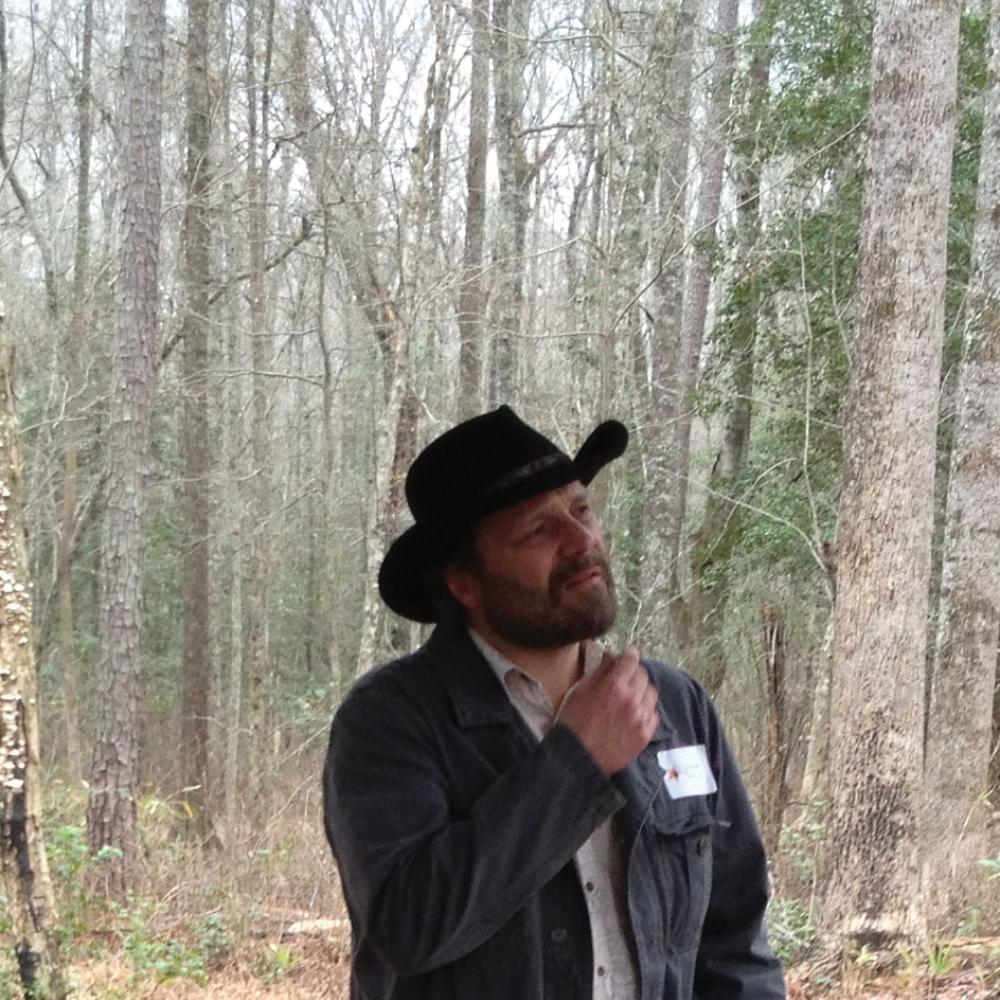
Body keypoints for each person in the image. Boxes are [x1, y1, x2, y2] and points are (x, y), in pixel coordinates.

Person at [322, 405, 786, 1000]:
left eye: (581, 509)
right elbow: (410, 928)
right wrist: (578, 762)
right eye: (539, 529)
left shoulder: (674, 705)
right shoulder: (390, 721)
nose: (581, 541)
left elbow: (735, 937)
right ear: (465, 583)